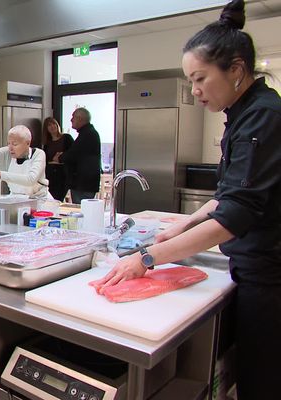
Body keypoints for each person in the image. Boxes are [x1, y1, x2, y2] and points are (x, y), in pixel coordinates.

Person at [93, 1, 281, 398]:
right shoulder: (243, 112)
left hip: (271, 276)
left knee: (262, 381)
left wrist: (146, 260)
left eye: (199, 79)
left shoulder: (263, 117)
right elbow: (229, 194)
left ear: (236, 70)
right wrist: (181, 225)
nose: (194, 92)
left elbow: (236, 214)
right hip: (253, 267)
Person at [0, 125, 50, 199]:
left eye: (15, 144)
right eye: (8, 143)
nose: (10, 148)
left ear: (28, 143)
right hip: (14, 198)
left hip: (39, 199)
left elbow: (31, 180)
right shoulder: (6, 152)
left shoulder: (39, 154)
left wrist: (1, 174)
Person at [56, 108, 101, 203]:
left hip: (83, 184)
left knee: (81, 212)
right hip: (84, 183)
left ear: (80, 119)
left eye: (73, 117)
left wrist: (60, 157)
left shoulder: (88, 134)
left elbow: (73, 154)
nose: (71, 120)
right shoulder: (88, 133)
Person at [42, 117, 73, 201]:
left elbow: (72, 154)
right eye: (49, 125)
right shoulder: (47, 143)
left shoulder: (66, 138)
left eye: (54, 124)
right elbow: (46, 159)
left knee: (59, 197)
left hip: (63, 173)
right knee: (51, 199)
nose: (52, 126)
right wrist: (54, 159)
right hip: (51, 174)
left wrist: (60, 158)